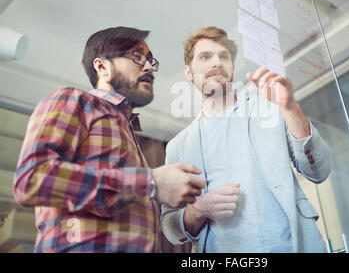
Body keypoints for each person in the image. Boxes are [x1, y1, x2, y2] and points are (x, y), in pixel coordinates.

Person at [13, 26, 205, 253]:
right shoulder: (74, 101)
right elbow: (32, 179)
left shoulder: (128, 132)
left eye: (151, 61)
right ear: (102, 67)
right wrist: (150, 183)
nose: (148, 68)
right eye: (137, 56)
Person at [160, 26, 332, 253]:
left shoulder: (271, 108)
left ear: (232, 66)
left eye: (224, 57)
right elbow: (171, 229)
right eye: (205, 57)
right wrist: (199, 209)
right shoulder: (178, 147)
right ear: (188, 72)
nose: (216, 63)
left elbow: (319, 171)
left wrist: (291, 108)